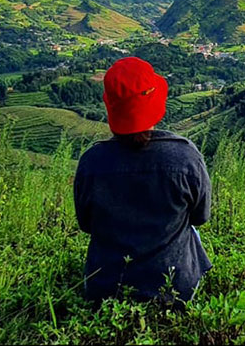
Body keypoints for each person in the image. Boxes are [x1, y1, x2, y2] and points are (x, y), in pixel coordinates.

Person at [73, 56, 212, 305]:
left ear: (111, 108)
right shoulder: (186, 156)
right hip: (175, 288)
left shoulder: (90, 162)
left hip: (105, 289)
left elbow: (86, 224)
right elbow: (200, 217)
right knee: (193, 233)